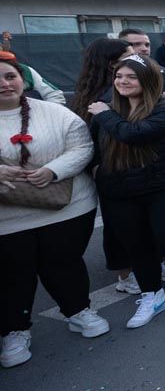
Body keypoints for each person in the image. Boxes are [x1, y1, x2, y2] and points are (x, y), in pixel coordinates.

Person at [0, 55, 108, 367]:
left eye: (10, 77)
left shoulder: (55, 112)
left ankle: (78, 310)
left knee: (64, 263)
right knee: (12, 275)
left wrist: (53, 170)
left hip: (66, 206)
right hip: (7, 219)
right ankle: (14, 330)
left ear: (23, 80)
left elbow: (82, 147)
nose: (5, 84)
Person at [87, 56, 165, 328]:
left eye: (131, 76)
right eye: (119, 76)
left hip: (161, 188)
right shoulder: (105, 112)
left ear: (148, 80)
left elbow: (134, 133)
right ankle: (152, 296)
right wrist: (97, 168)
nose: (123, 81)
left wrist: (104, 114)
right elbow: (93, 146)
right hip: (119, 192)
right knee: (137, 247)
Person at [71, 37, 141, 293]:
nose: (136, 58)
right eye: (129, 55)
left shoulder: (94, 89)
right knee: (119, 225)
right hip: (113, 170)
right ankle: (126, 276)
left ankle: (139, 268)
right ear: (112, 64)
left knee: (133, 223)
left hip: (125, 168)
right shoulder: (103, 95)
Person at [118, 28, 165, 100]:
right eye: (137, 44)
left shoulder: (164, 73)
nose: (145, 49)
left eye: (147, 45)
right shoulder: (110, 76)